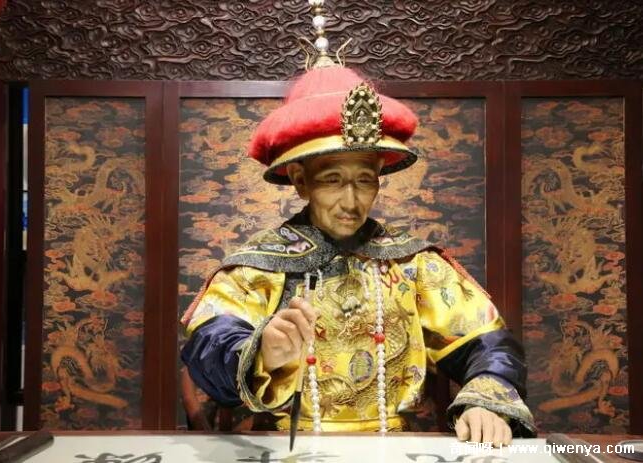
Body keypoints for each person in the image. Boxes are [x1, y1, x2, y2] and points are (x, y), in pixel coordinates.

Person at [180, 10, 535, 444]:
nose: (352, 202)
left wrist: (485, 399)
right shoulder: (258, 267)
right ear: (301, 181)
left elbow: (486, 343)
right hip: (284, 448)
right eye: (333, 180)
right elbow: (209, 342)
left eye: (365, 180)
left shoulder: (413, 264)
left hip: (394, 448)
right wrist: (262, 351)